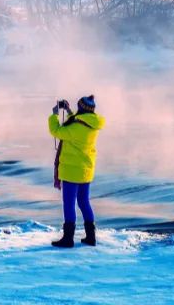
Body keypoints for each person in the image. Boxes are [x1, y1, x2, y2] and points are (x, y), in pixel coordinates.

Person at [48, 94, 105, 248]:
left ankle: (68, 239)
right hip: (86, 170)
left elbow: (56, 131)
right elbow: (78, 123)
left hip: (72, 171)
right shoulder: (91, 125)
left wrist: (54, 115)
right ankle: (91, 237)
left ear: (81, 109)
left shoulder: (74, 128)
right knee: (84, 202)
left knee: (69, 204)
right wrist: (68, 111)